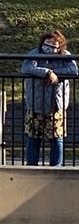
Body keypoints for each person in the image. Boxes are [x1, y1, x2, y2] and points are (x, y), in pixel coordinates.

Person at [21, 28, 77, 166]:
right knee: (33, 138)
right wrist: (47, 72)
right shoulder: (35, 53)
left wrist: (55, 74)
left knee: (57, 139)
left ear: (60, 46)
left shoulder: (65, 55)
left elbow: (73, 71)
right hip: (35, 104)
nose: (50, 47)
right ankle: (31, 168)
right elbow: (26, 68)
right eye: (47, 43)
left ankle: (56, 169)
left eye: (54, 45)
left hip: (56, 105)